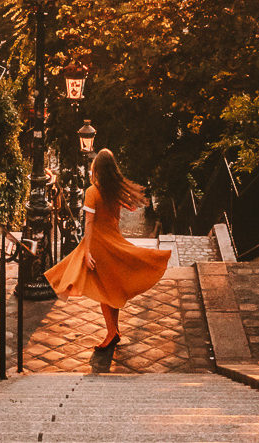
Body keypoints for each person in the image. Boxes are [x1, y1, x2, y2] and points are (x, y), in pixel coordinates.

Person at [45, 148, 171, 351]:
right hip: (113, 242)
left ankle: (112, 333)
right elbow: (130, 207)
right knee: (110, 290)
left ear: (97, 170)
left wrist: (86, 252)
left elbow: (89, 224)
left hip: (98, 247)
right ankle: (114, 331)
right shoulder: (114, 192)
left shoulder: (92, 192)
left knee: (104, 293)